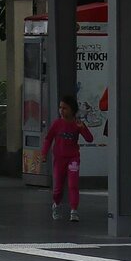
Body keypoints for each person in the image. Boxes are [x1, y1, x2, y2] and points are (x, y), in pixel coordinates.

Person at [41, 95, 93, 223]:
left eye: (65, 108)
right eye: (60, 108)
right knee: (58, 187)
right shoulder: (57, 123)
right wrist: (44, 153)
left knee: (73, 184)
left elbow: (89, 138)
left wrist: (82, 128)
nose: (61, 111)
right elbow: (48, 138)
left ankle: (74, 210)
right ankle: (56, 204)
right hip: (59, 159)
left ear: (72, 110)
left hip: (73, 158)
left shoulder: (77, 123)